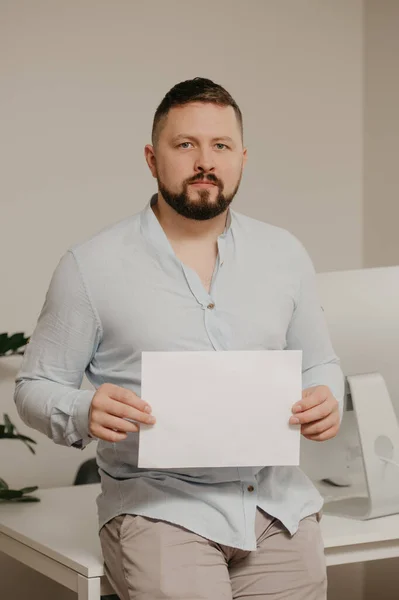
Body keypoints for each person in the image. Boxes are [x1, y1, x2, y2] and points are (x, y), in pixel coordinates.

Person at [15, 77, 344, 600]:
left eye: (221, 146)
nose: (204, 161)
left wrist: (326, 397)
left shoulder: (285, 255)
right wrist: (83, 409)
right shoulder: (91, 266)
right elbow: (33, 386)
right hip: (159, 509)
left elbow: (321, 365)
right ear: (152, 157)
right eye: (185, 144)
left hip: (277, 506)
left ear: (242, 157)